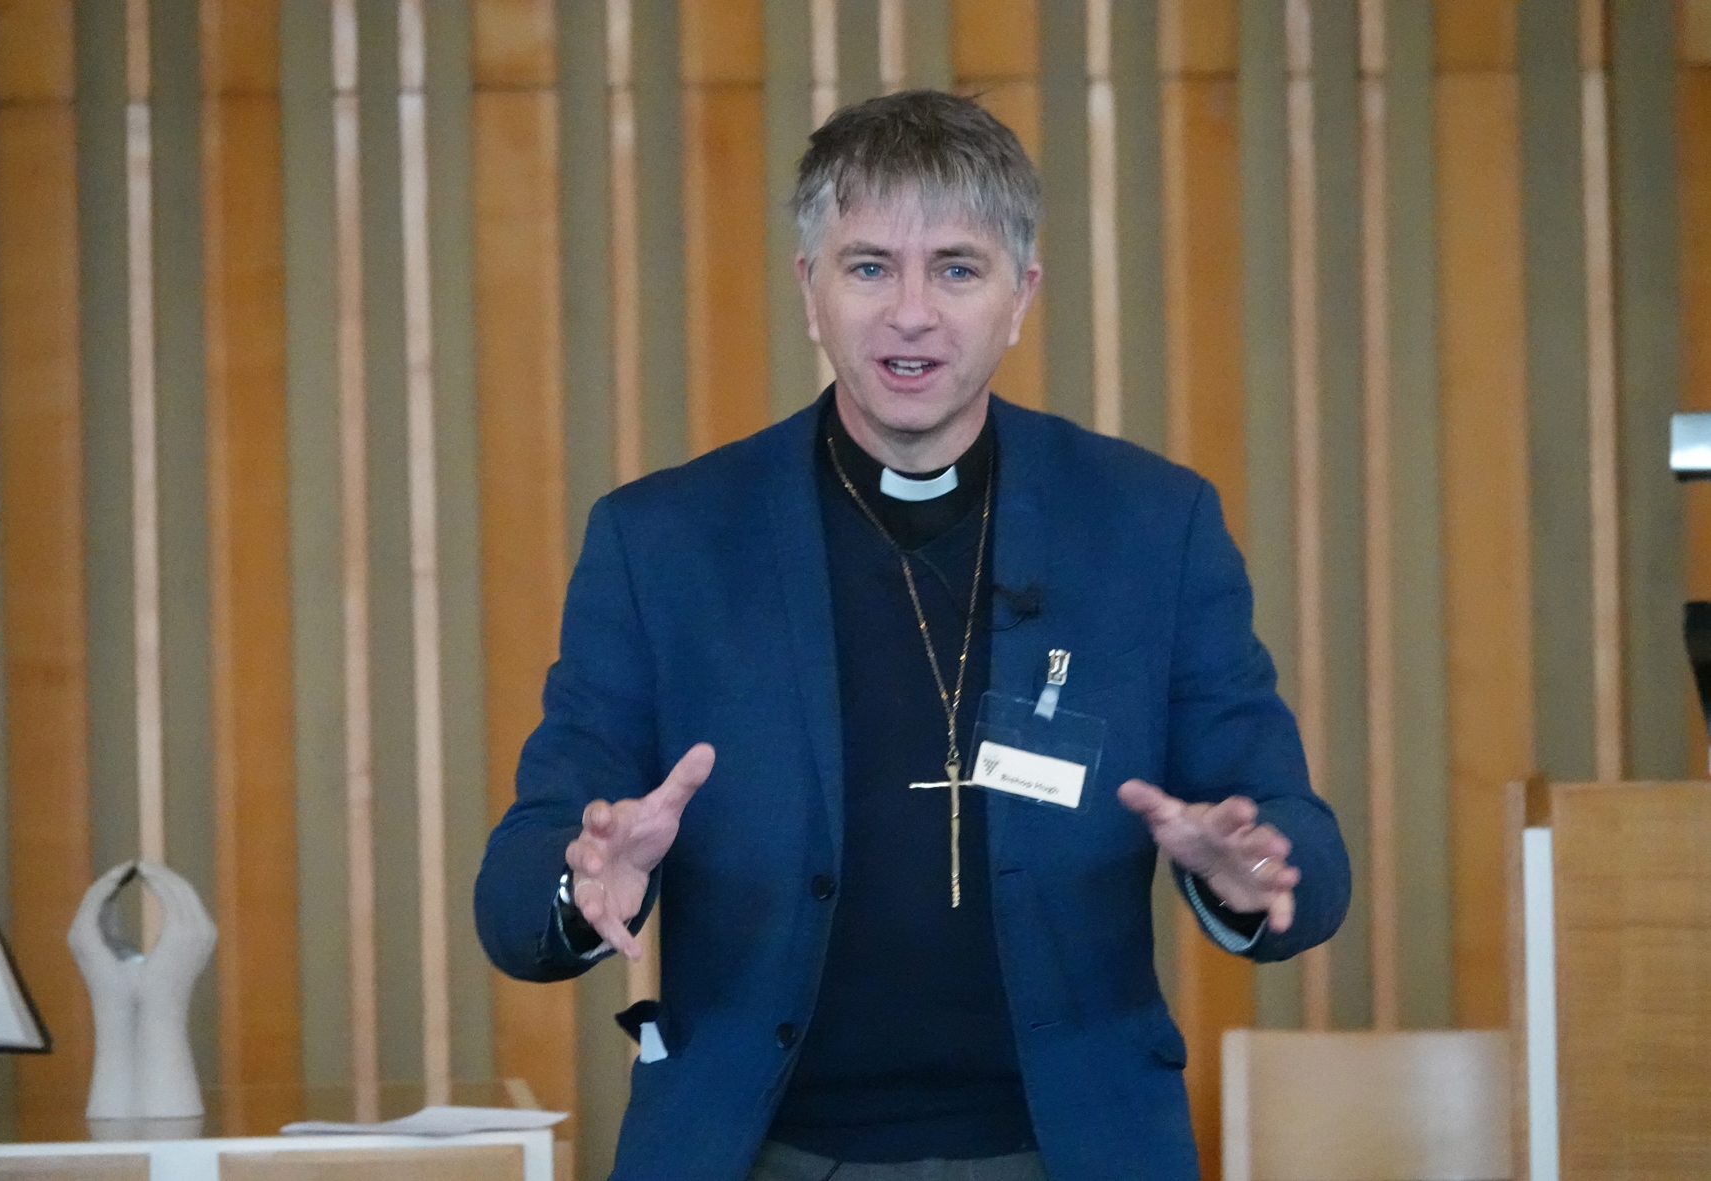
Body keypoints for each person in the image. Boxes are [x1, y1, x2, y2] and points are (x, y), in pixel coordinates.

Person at [475, 90, 1349, 1181]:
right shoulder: (664, 540)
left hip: (1066, 1147)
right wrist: (579, 875)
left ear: (1020, 296)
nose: (911, 313)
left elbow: (1300, 842)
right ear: (810, 290)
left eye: (956, 267)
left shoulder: (1146, 526)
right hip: (763, 1149)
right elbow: (516, 886)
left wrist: (1249, 868)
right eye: (868, 265)